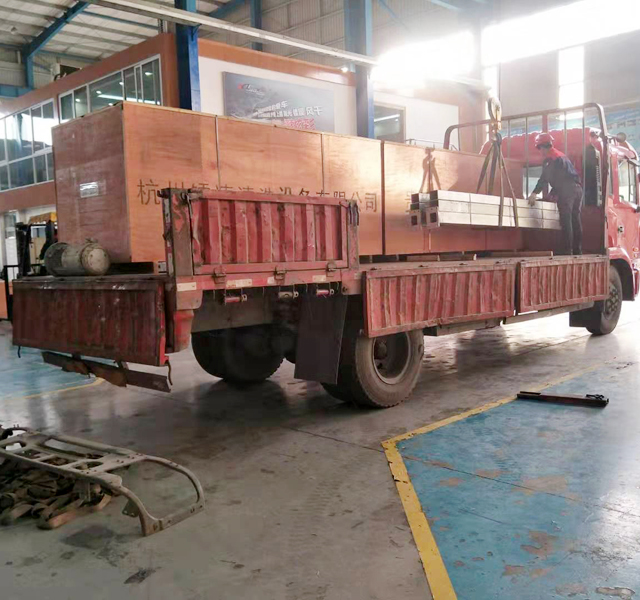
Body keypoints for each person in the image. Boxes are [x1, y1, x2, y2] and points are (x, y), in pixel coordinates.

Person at [527, 132, 583, 255]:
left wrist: (534, 193)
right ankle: (577, 250)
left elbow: (544, 178)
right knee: (575, 219)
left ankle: (567, 251)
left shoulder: (551, 158)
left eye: (539, 148)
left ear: (543, 146)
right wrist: (553, 192)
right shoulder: (561, 155)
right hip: (577, 189)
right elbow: (562, 176)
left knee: (566, 220)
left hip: (567, 190)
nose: (540, 151)